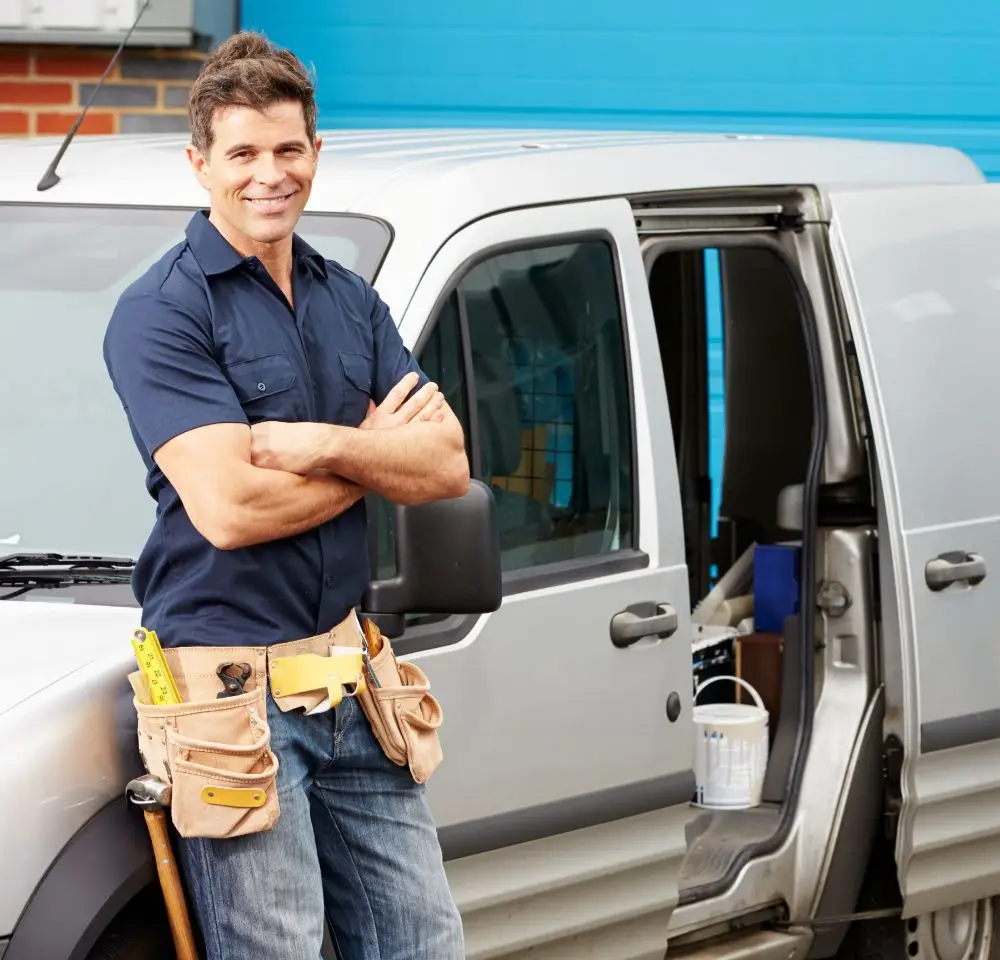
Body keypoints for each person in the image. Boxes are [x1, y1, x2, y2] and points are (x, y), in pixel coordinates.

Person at [102, 29, 470, 960]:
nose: (269, 174)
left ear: (315, 153)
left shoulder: (349, 297)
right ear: (200, 163)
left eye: (288, 149)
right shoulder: (163, 312)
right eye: (243, 153)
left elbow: (447, 466)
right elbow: (229, 512)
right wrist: (373, 459)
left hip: (352, 684)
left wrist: (320, 445)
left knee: (424, 946)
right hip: (228, 702)